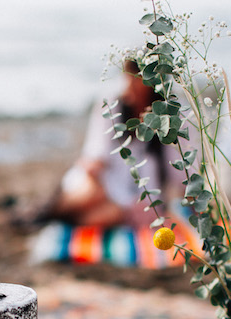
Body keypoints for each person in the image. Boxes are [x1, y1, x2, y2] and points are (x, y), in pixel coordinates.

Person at [45, 59, 182, 229]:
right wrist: (92, 165)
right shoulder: (112, 104)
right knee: (91, 192)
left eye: (137, 78)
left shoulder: (168, 118)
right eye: (127, 76)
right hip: (105, 181)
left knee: (106, 214)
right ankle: (45, 214)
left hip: (136, 198)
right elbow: (95, 153)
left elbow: (179, 174)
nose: (130, 83)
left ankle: (52, 217)